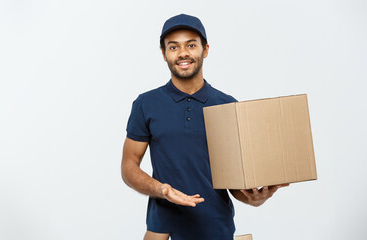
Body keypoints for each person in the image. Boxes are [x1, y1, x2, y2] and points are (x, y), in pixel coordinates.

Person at [121, 14, 288, 240]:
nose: (183, 53)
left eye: (191, 45)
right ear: (164, 54)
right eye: (173, 47)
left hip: (215, 229)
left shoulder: (227, 105)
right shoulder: (146, 104)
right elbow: (129, 166)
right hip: (162, 231)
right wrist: (163, 190)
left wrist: (253, 198)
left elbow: (233, 181)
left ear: (205, 49)